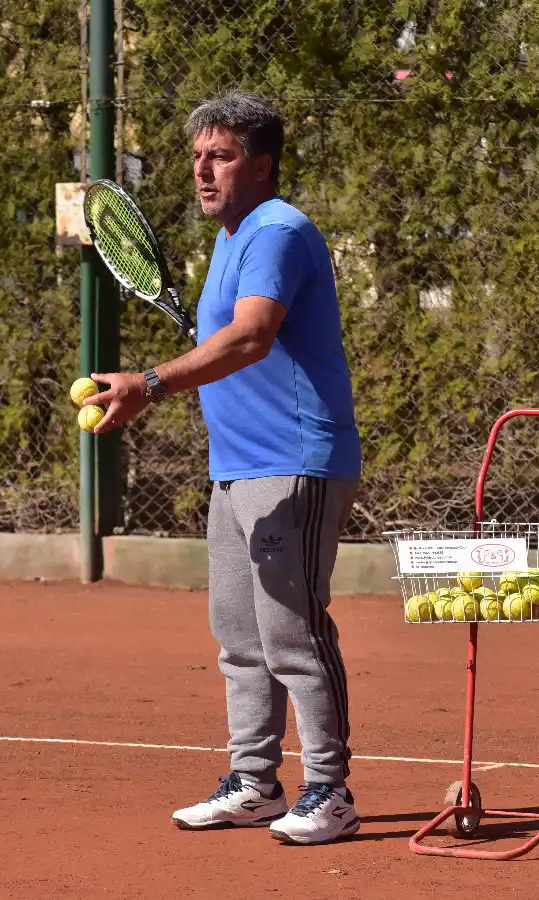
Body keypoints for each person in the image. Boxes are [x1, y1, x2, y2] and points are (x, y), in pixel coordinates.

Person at [82, 91, 362, 846]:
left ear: (262, 165)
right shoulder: (232, 239)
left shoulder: (277, 230)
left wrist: (148, 383)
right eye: (198, 157)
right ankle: (254, 783)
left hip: (293, 463)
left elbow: (250, 338)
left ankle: (330, 791)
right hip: (236, 468)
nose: (203, 171)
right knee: (239, 638)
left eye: (222, 156)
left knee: (293, 634)